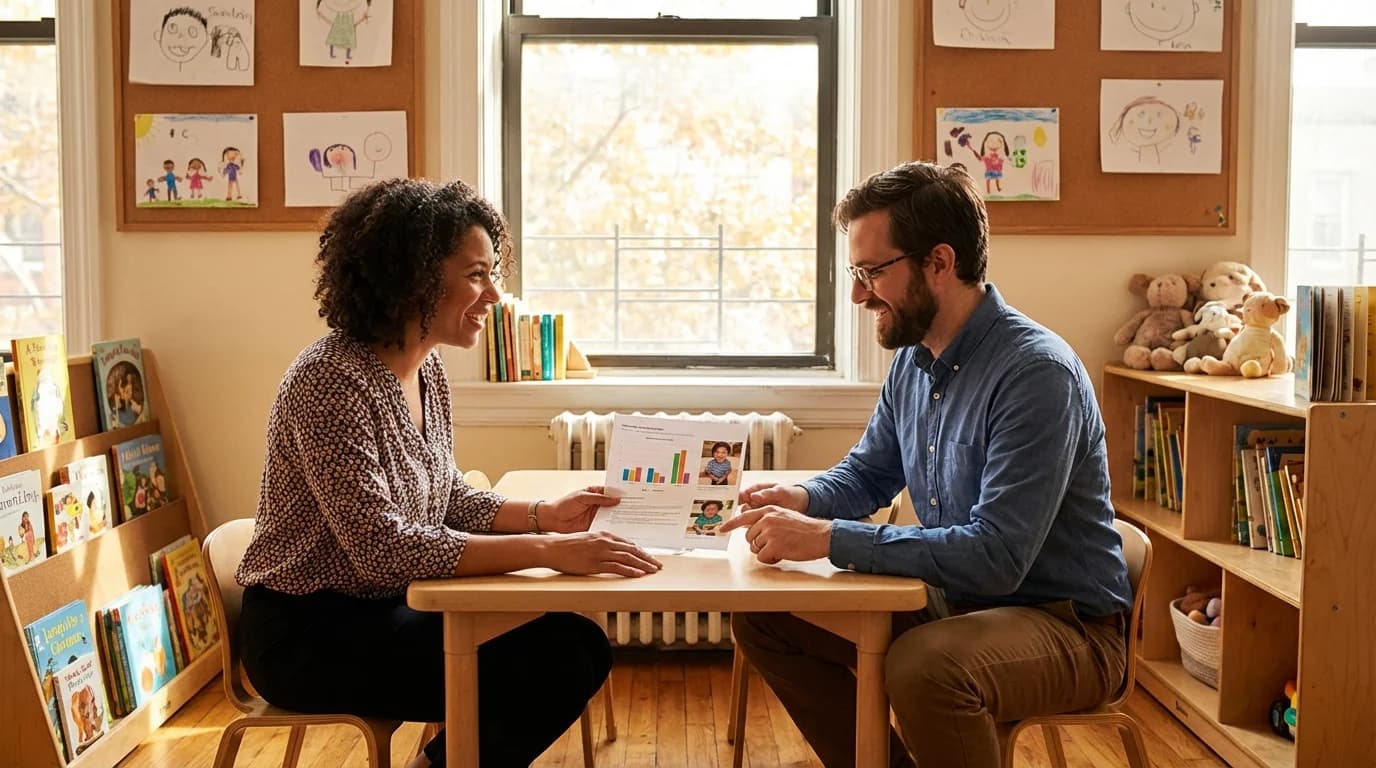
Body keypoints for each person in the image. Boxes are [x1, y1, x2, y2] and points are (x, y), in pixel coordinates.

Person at [235, 177, 662, 768]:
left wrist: (543, 515)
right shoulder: (329, 380)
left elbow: (446, 495)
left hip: (387, 607)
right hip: (309, 634)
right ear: (411, 276)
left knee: (577, 645)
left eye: (493, 273)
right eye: (476, 275)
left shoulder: (426, 371)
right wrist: (547, 549)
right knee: (563, 653)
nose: (494, 296)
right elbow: (382, 549)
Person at [721, 161, 1132, 768]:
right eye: (855, 273)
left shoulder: (1036, 375)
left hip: (1064, 626)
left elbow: (995, 557)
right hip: (958, 601)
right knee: (767, 619)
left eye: (872, 272)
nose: (859, 294)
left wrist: (829, 538)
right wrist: (799, 499)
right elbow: (866, 474)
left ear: (939, 263)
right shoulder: (914, 362)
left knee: (925, 668)